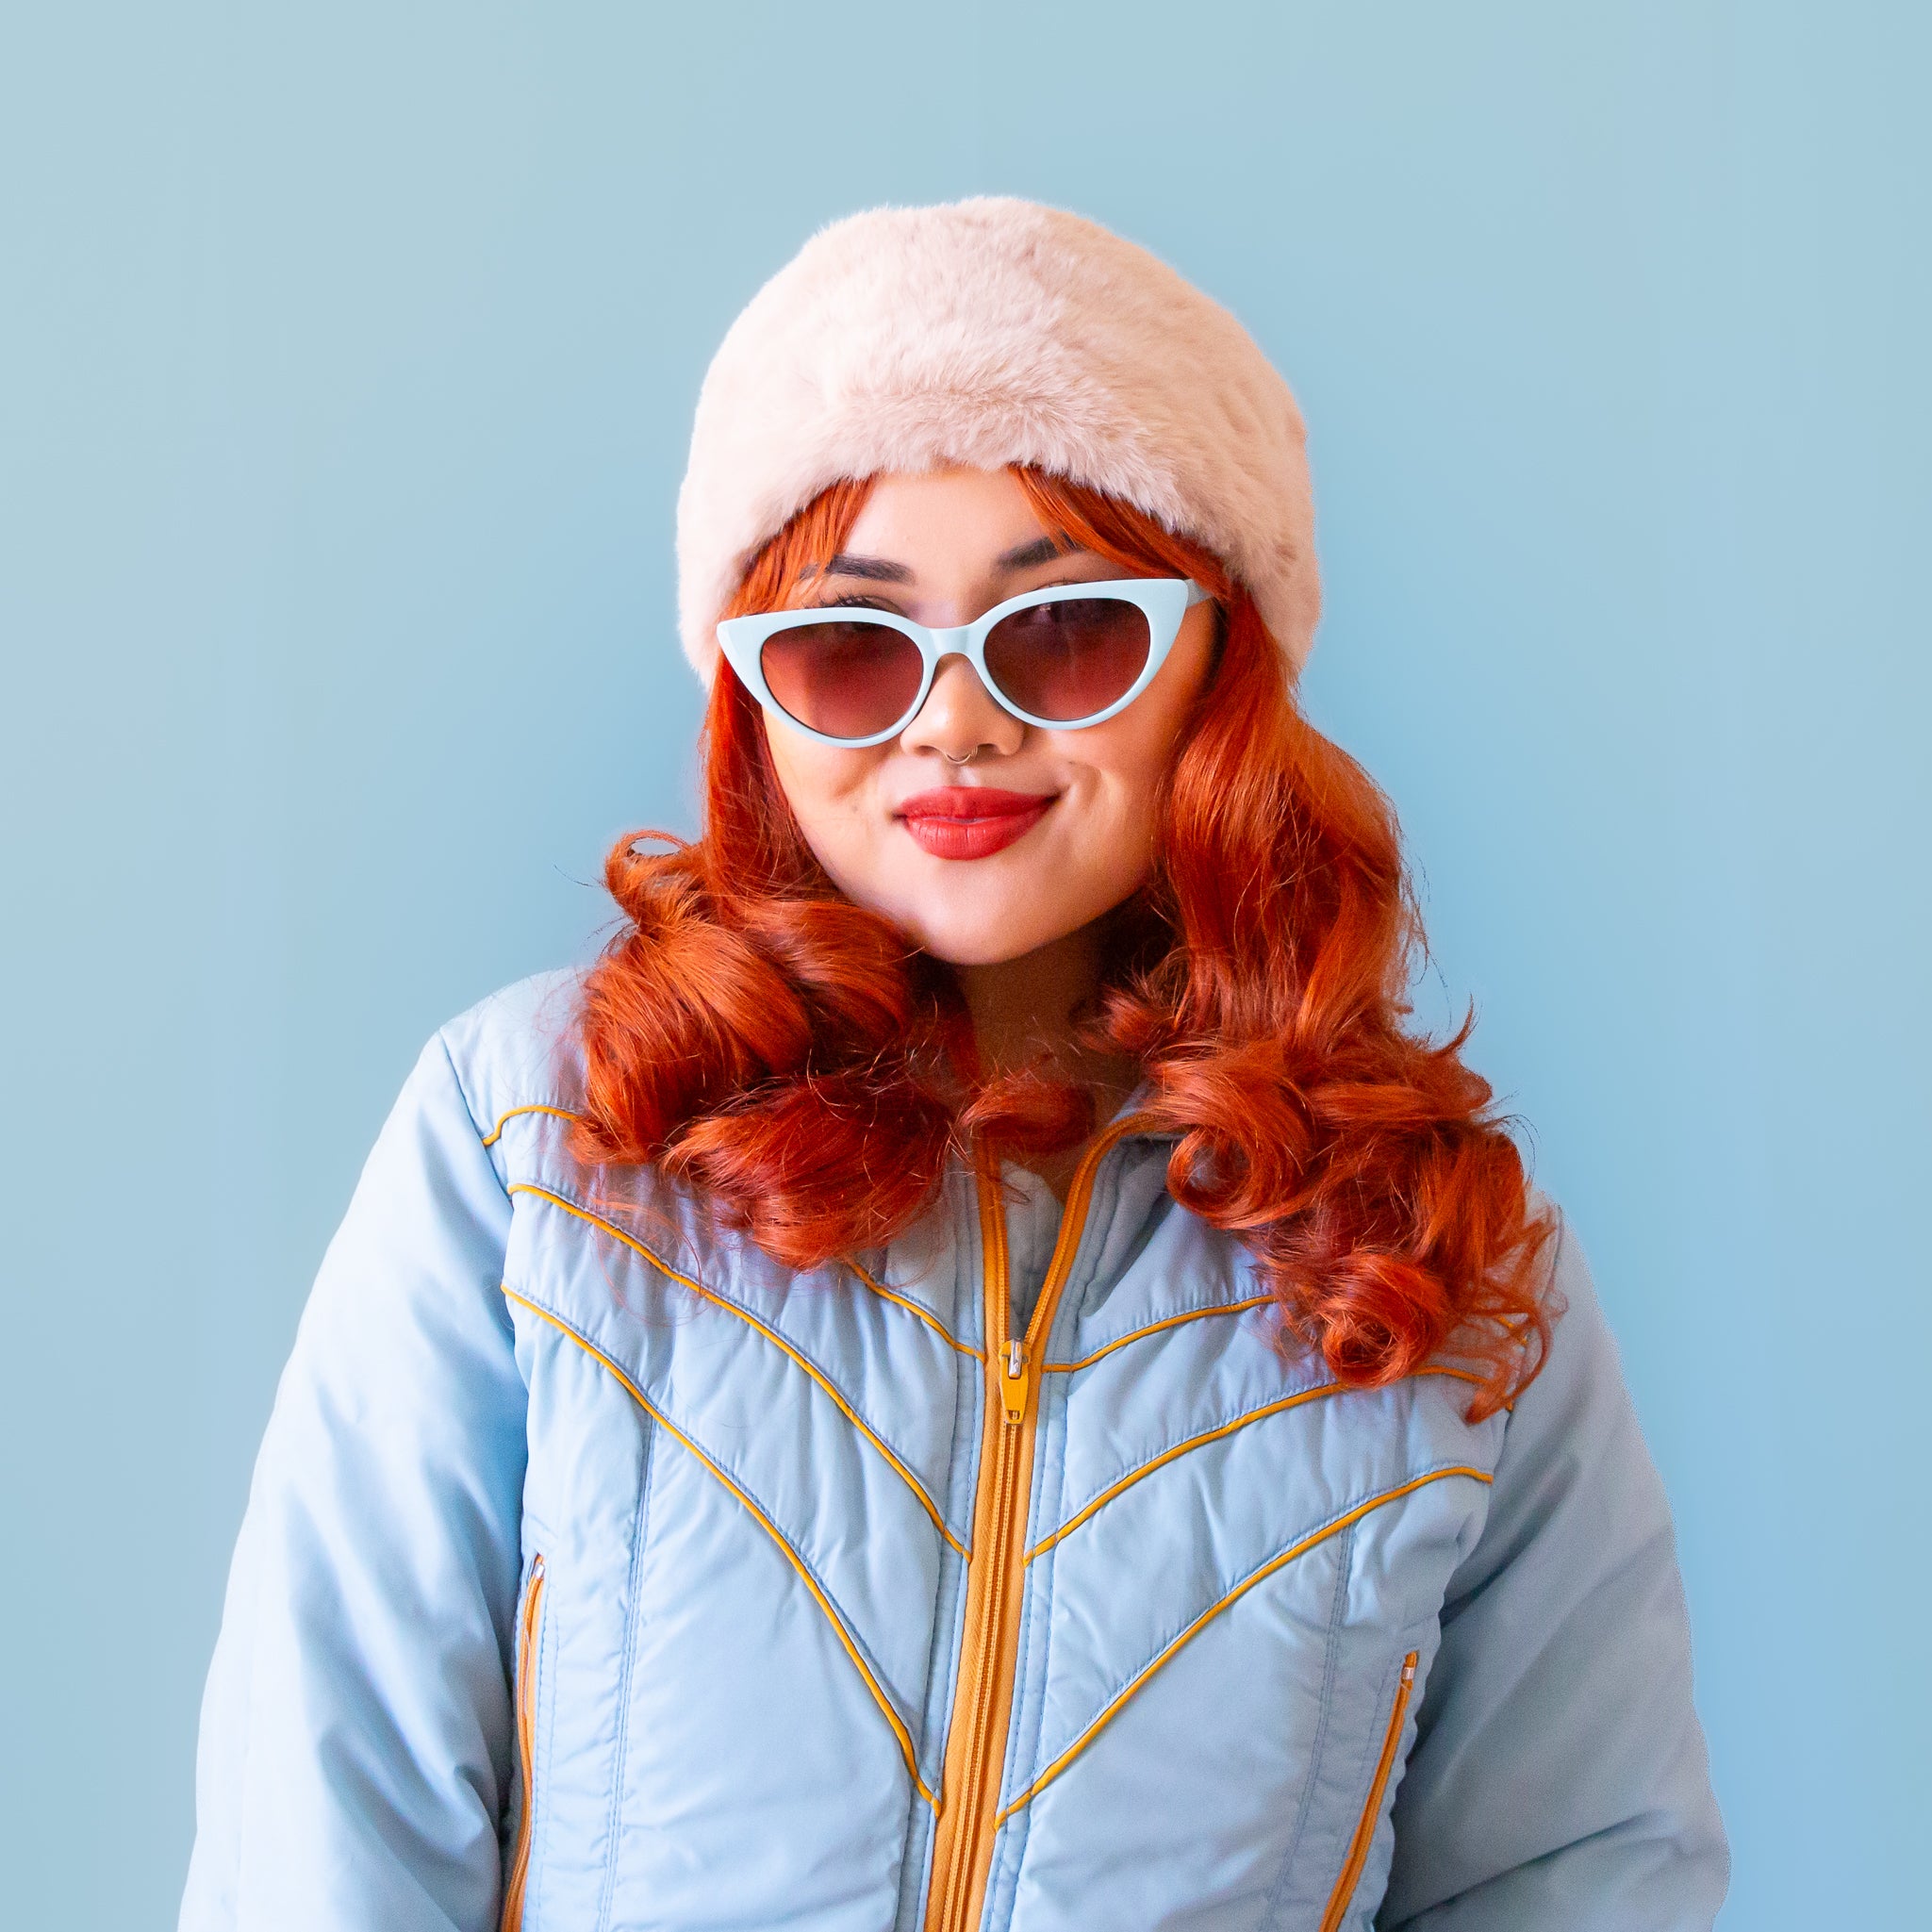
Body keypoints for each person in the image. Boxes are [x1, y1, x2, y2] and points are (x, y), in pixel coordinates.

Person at [180, 199, 1727, 1932]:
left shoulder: (1434, 1250)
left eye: (1064, 633)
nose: (954, 723)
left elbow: (1582, 1873)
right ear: (753, 698)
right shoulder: (539, 1133)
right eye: (849, 645)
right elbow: (331, 1814)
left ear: (1213, 658)